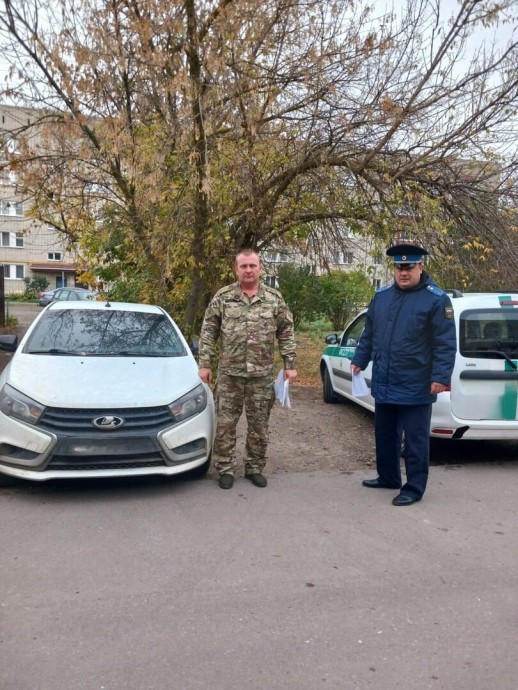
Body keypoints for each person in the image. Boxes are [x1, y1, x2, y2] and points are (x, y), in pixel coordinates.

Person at [350, 243, 456, 506]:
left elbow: (445, 343)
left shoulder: (436, 299)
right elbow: (369, 334)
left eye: (409, 267)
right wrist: (359, 360)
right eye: (399, 267)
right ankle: (388, 477)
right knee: (384, 434)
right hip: (386, 378)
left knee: (416, 441)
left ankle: (414, 487)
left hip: (416, 382)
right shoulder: (382, 296)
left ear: (421, 266)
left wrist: (440, 377)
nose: (403, 272)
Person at [198, 249, 298, 489]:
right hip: (230, 375)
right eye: (243, 266)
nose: (248, 270)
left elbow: (286, 331)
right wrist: (204, 363)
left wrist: (290, 364)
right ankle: (225, 468)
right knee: (225, 425)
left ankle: (254, 467)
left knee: (259, 426)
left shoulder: (274, 299)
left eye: (253, 265)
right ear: (236, 269)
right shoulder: (223, 297)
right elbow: (209, 331)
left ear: (260, 269)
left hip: (261, 376)